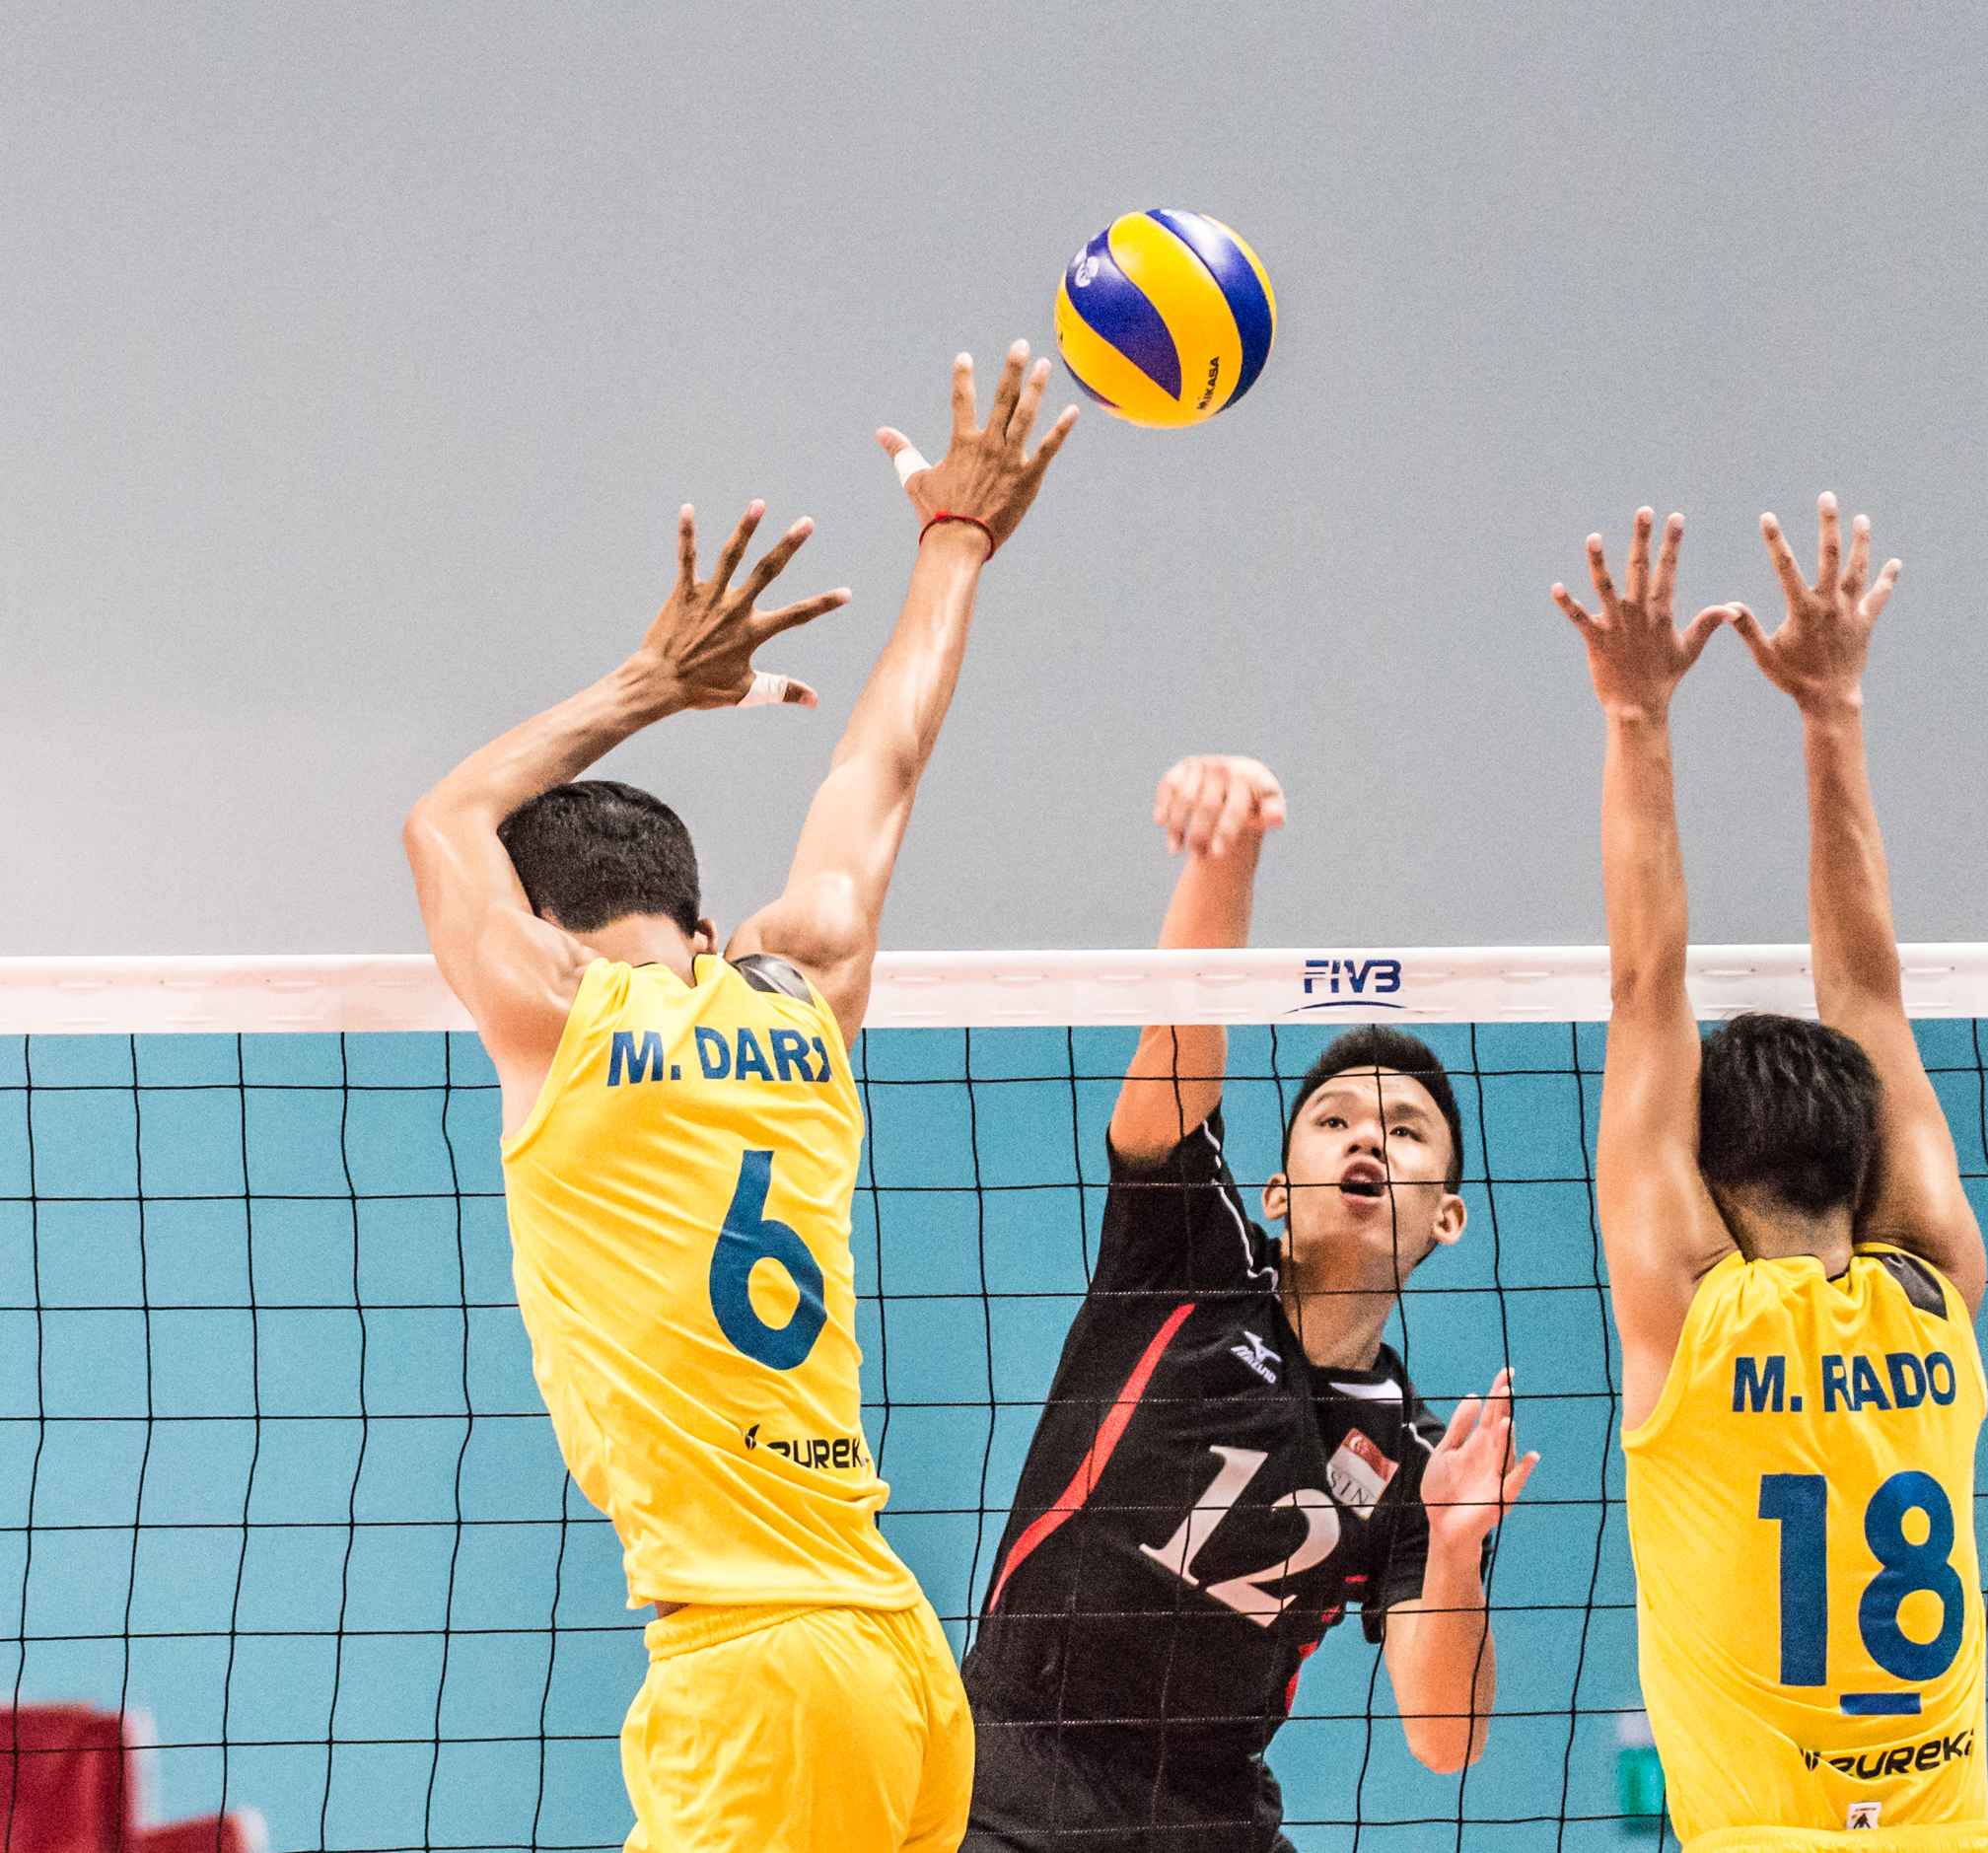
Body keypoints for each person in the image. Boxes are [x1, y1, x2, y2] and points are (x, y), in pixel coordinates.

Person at [400, 343, 1077, 1853]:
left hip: (756, 1672)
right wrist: (955, 541)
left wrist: (651, 682)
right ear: (706, 928)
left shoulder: (558, 1014)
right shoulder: (800, 992)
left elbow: (442, 816)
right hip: (900, 1659)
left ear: (541, 924)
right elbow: (880, 765)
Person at [960, 754, 1540, 1853]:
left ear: (1445, 1217)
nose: (1369, 1135)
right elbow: (1183, 1038)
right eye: (1334, 1122)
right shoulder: (1188, 1258)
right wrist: (1232, 849)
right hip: (1017, 1773)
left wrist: (1457, 1548)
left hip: (1213, 1816)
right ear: (1277, 1192)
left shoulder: (1418, 1458)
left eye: (1405, 1130)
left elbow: (1448, 1736)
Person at [1558, 498, 1988, 1851]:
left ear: (1700, 1170)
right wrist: (1834, 704)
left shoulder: (1690, 1325)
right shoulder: (1932, 1295)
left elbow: (1646, 987)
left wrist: (1637, 714)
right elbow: (1870, 987)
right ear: (1867, 1169)